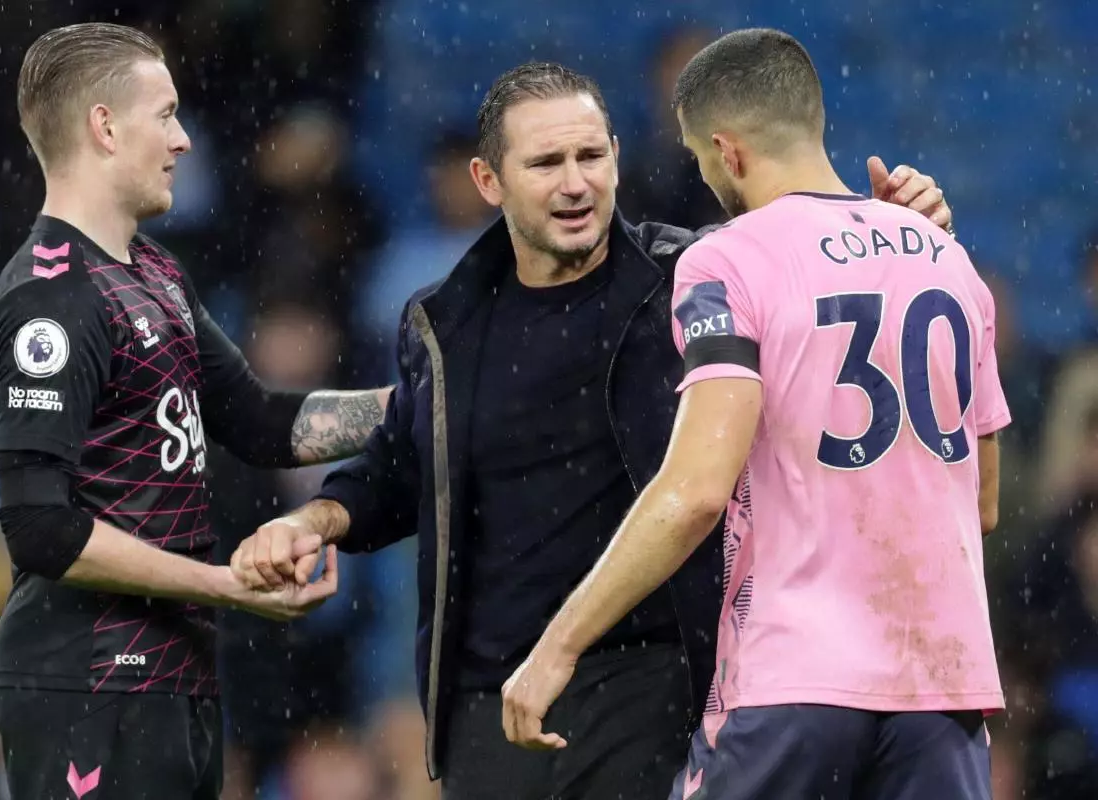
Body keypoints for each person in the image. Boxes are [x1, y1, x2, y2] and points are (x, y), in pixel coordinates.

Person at [230, 61, 956, 799]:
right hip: (492, 699)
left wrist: (893, 230)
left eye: (591, 156)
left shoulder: (696, 277)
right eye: (546, 162)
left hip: (654, 682)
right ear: (489, 180)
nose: (576, 182)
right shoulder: (445, 322)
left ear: (615, 155)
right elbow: (401, 465)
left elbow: (821, 296)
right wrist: (316, 519)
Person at [501, 29, 1006, 800]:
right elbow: (984, 502)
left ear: (726, 151)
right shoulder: (950, 259)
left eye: (702, 162)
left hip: (795, 681)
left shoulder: (727, 260)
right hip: (946, 687)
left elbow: (697, 490)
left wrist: (557, 646)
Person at [0, 23, 388, 800]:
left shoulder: (157, 272)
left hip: (172, 676)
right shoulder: (51, 299)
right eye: (164, 115)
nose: (185, 139)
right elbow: (40, 526)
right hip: (89, 682)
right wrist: (222, 585)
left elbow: (262, 422)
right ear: (104, 126)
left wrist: (432, 395)